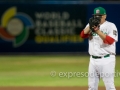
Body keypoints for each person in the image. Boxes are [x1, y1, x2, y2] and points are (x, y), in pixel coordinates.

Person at [80, 7, 118, 90]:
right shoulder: (90, 25)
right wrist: (90, 27)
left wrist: (98, 31)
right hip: (93, 60)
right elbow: (82, 35)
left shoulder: (111, 26)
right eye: (95, 15)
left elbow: (110, 40)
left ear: (105, 16)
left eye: (99, 15)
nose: (97, 17)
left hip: (107, 59)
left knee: (109, 87)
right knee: (92, 87)